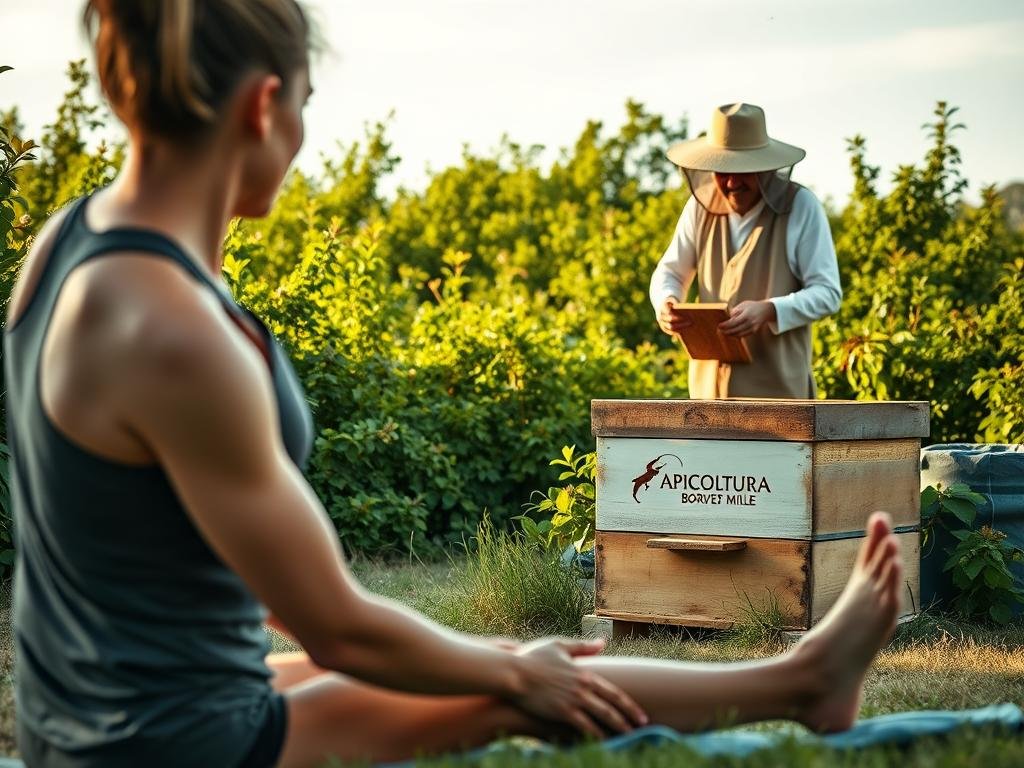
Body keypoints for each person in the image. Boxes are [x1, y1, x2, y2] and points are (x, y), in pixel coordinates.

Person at [4, 3, 904, 766]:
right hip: (177, 743)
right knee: (522, 685)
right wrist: (511, 673)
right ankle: (804, 681)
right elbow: (338, 628)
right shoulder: (173, 333)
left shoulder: (67, 243)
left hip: (91, 717)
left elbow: (192, 555)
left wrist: (489, 658)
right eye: (305, 106)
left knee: (498, 659)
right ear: (263, 106)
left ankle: (796, 677)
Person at [650, 103, 842, 399]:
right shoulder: (700, 208)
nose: (731, 182)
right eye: (722, 171)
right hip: (708, 398)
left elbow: (828, 293)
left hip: (779, 400)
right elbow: (670, 272)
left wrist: (770, 310)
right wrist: (666, 302)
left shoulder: (799, 206)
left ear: (765, 166)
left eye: (743, 171)